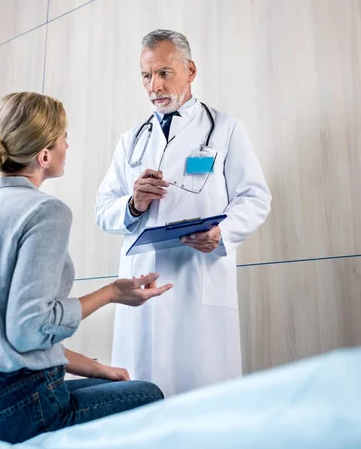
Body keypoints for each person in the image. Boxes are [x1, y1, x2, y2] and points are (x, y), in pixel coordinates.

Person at [0, 91, 172, 444]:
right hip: (20, 405)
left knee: (119, 383)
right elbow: (30, 328)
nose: (67, 147)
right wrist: (111, 293)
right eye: (64, 138)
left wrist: (96, 368)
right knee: (149, 396)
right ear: (44, 155)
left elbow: (5, 336)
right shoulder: (44, 211)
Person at [96, 29, 271, 397]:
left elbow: (255, 197)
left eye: (164, 72)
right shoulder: (132, 139)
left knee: (201, 401)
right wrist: (133, 204)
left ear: (190, 70)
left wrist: (222, 233)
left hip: (198, 278)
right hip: (142, 285)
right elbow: (103, 209)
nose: (154, 85)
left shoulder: (225, 128)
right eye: (146, 76)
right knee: (140, 401)